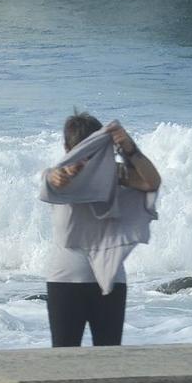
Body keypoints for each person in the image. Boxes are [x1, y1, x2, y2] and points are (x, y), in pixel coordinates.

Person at [42, 112, 161, 348]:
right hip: (65, 282)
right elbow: (55, 181)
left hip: (111, 281)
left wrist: (129, 148)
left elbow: (151, 182)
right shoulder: (57, 174)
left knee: (109, 361)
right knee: (64, 361)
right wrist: (67, 172)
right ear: (68, 149)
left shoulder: (115, 175)